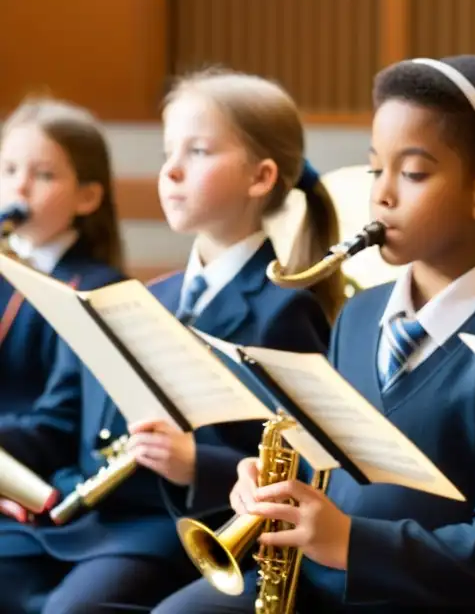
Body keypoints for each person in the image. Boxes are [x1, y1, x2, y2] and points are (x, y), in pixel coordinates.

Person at [153, 56, 475, 613]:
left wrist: (352, 542)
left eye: (414, 174)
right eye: (377, 171)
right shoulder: (359, 314)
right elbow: (327, 465)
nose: (383, 196)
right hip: (317, 586)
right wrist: (268, 482)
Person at [0, 70, 334, 614]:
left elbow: (304, 467)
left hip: (168, 528)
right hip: (80, 517)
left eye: (197, 152)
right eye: (167, 152)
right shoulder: (144, 297)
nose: (170, 170)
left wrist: (195, 462)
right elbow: (62, 420)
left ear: (261, 176)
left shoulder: (285, 309)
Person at [0, 98, 125, 420]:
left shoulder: (97, 288)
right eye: (9, 169)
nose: (20, 187)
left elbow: (59, 419)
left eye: (43, 175)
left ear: (87, 197)